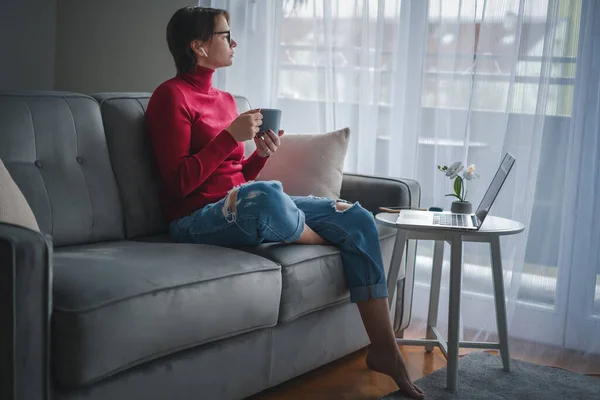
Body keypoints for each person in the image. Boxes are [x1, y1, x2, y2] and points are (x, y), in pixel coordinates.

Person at [145, 6, 424, 400]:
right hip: (194, 218)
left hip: (238, 205)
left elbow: (238, 178)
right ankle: (325, 238)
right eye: (225, 35)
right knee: (270, 196)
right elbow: (177, 185)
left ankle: (385, 350)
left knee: (357, 217)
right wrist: (230, 136)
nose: (234, 41)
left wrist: (260, 153)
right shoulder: (169, 97)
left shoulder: (226, 99)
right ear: (198, 47)